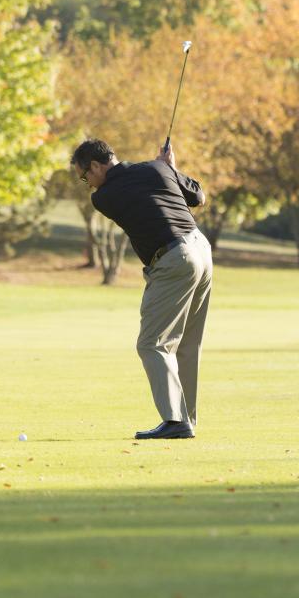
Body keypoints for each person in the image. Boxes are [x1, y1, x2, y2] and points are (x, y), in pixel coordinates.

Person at [71, 138, 213, 440]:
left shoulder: (104, 196)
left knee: (152, 343)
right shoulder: (156, 169)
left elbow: (137, 191)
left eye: (86, 176)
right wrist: (171, 169)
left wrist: (165, 168)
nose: (88, 184)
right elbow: (198, 196)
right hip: (202, 250)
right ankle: (185, 419)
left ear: (96, 165)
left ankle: (176, 420)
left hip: (175, 258)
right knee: (187, 342)